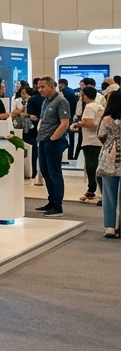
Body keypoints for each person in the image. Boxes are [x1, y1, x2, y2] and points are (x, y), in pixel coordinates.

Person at [34, 76, 72, 216]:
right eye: (39, 87)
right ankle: (51, 201)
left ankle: (57, 206)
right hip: (43, 140)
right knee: (45, 172)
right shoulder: (46, 102)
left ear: (52, 86)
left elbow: (64, 123)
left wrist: (53, 138)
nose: (40, 90)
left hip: (53, 142)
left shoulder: (61, 101)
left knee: (54, 173)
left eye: (42, 87)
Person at [96, 90, 121, 238]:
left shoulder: (106, 119)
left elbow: (101, 135)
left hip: (109, 158)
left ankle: (110, 227)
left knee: (109, 194)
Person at [78, 86, 104, 202]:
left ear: (86, 95)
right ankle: (94, 189)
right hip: (98, 141)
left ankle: (92, 189)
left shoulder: (89, 106)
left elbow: (90, 123)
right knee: (96, 165)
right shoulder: (100, 106)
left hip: (90, 141)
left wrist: (79, 124)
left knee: (91, 167)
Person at [25, 80, 45, 185]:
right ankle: (41, 174)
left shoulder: (32, 99)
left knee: (34, 152)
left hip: (34, 128)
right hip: (45, 130)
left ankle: (35, 173)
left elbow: (29, 114)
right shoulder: (48, 100)